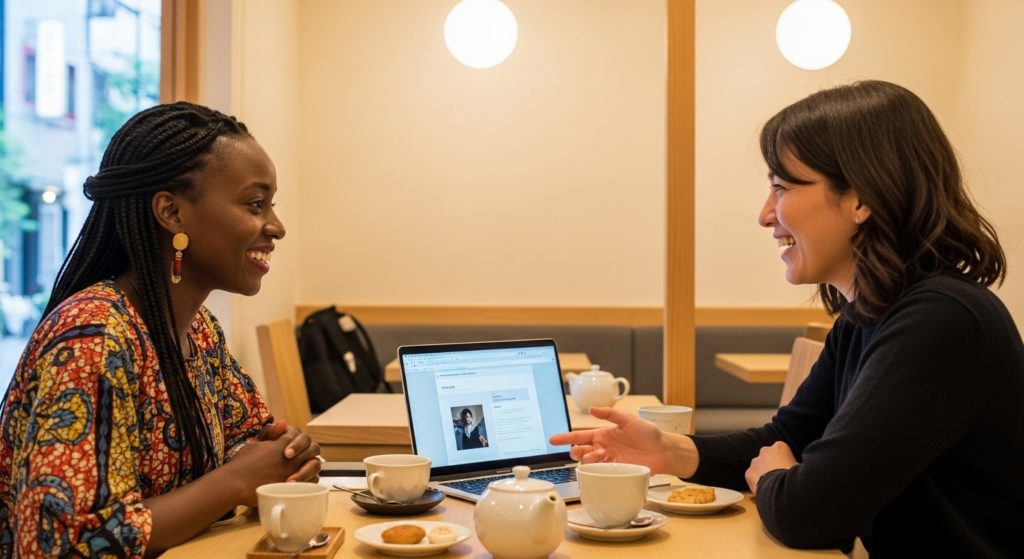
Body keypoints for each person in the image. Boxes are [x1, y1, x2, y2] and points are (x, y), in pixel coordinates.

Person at [550, 80, 1024, 557]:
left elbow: (810, 512)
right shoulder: (870, 314)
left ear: (861, 198)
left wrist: (776, 476)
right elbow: (788, 438)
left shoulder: (940, 322)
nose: (764, 214)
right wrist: (672, 453)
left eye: (781, 187)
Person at [0, 102, 322, 557]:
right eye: (256, 204)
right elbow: (63, 545)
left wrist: (285, 455)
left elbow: (252, 442)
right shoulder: (93, 337)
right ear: (171, 212)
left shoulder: (200, 330)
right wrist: (235, 481)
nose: (276, 226)